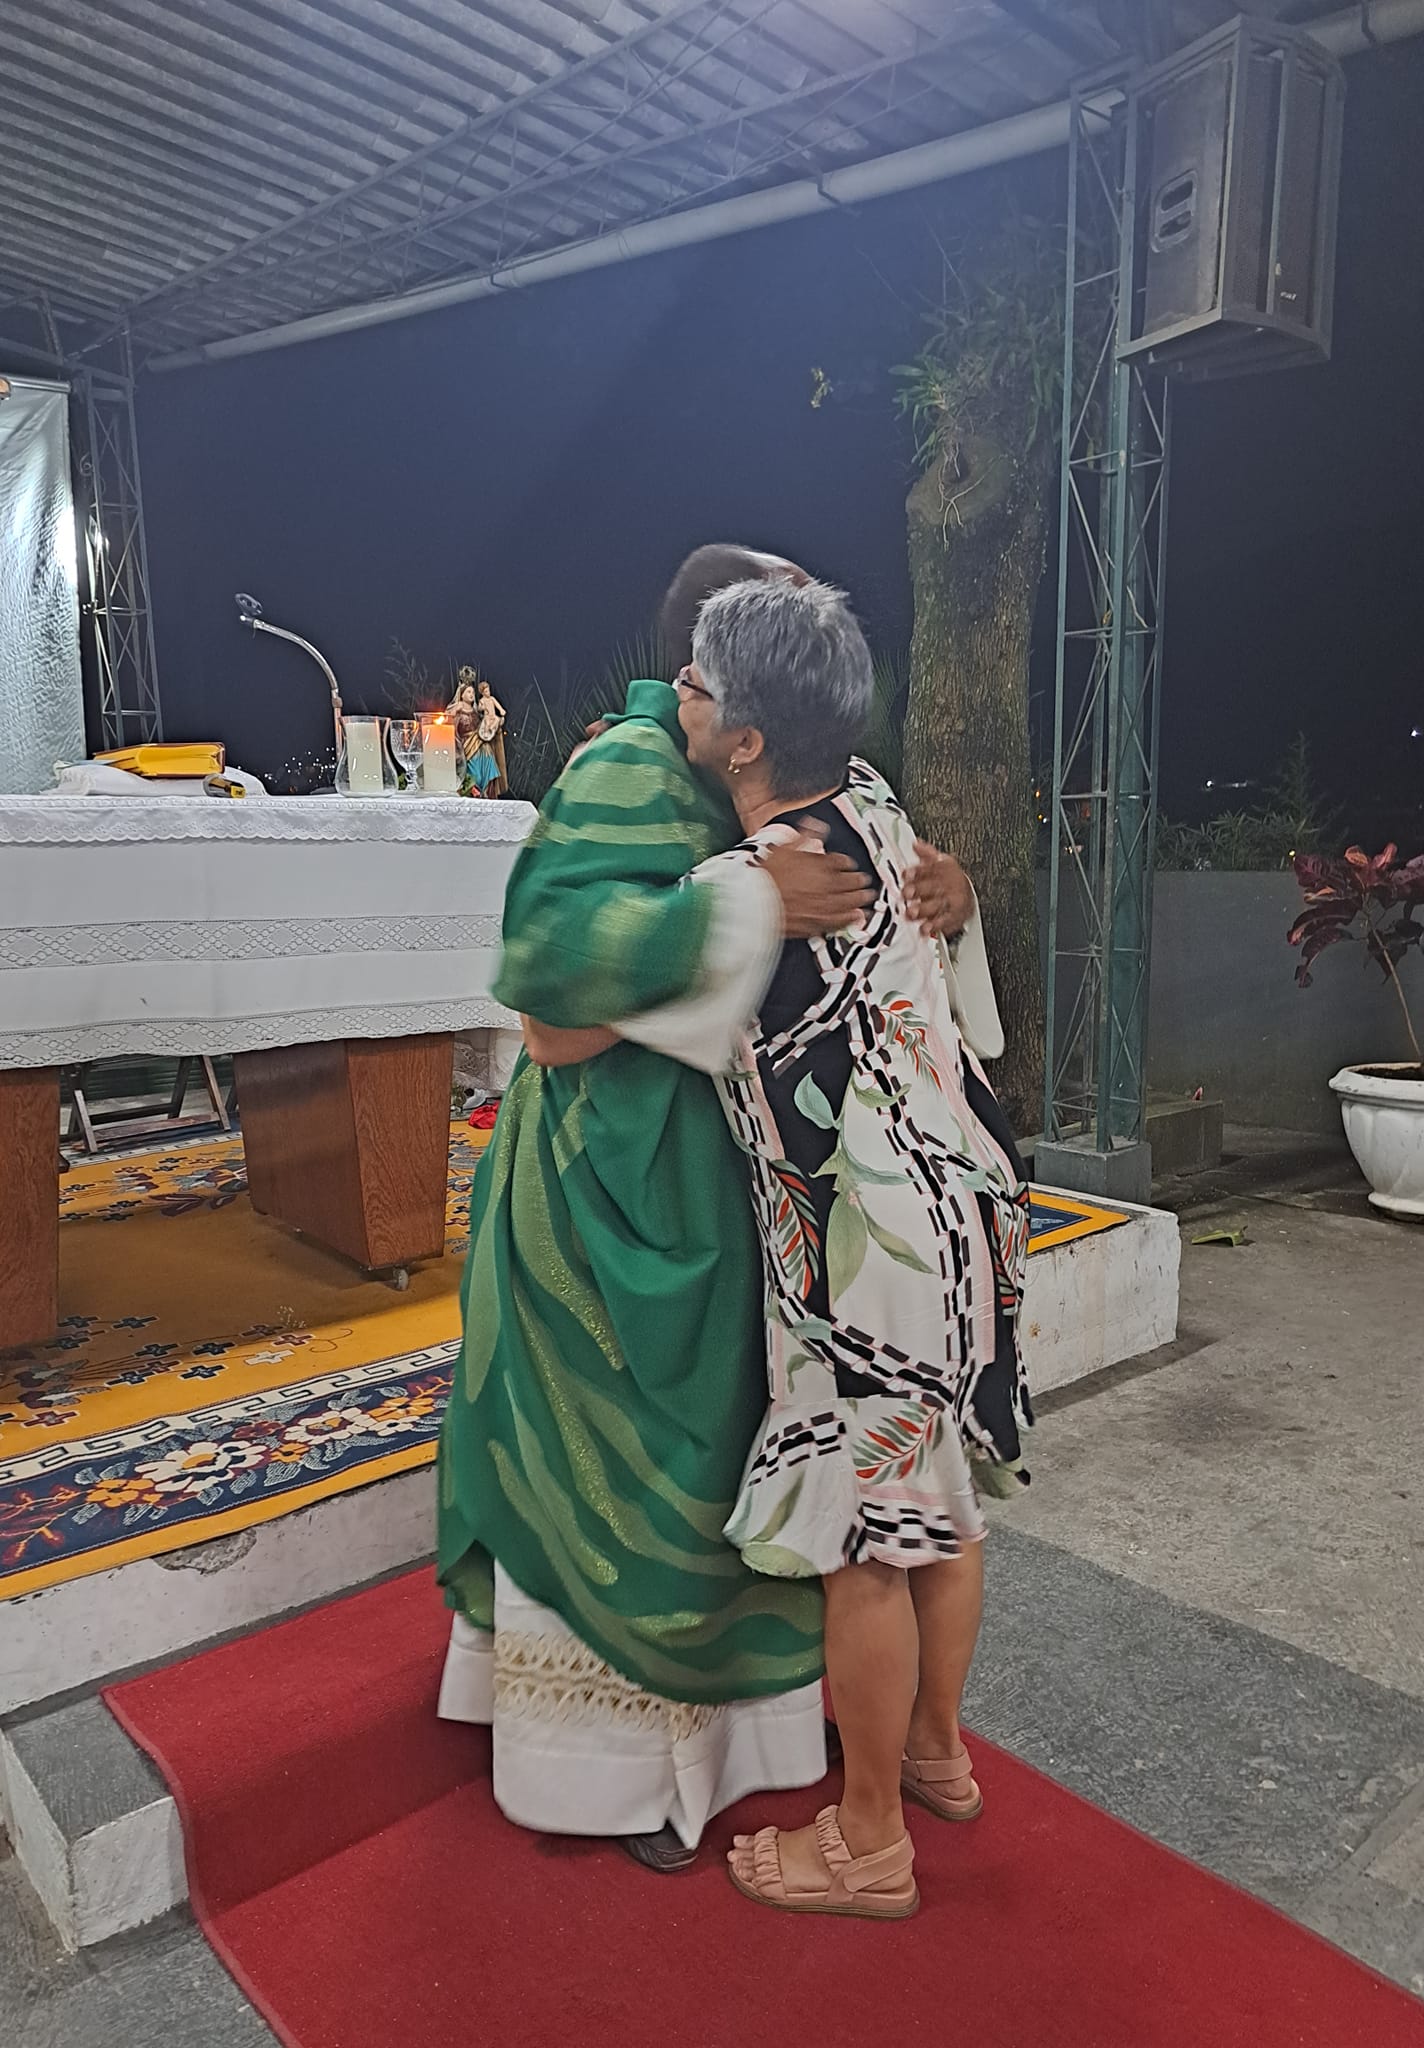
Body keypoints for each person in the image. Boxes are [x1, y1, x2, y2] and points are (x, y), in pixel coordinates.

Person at [436, 545, 979, 1875]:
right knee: (733, 1494)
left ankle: (817, 1761)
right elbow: (550, 1005)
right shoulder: (625, 770)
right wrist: (746, 907)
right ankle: (619, 1778)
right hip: (616, 1198)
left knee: (820, 1493)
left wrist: (954, 898)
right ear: (701, 672)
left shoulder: (823, 778)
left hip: (785, 1203)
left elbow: (900, 923)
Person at [602, 577, 1032, 1920]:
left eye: (693, 681)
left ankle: (868, 1842)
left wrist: (706, 916)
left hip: (865, 1250)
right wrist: (962, 897)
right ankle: (935, 1755)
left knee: (867, 1545)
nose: (675, 693)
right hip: (965, 1207)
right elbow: (939, 932)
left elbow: (571, 1021)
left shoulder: (744, 888)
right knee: (941, 1503)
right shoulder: (881, 809)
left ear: (741, 740)